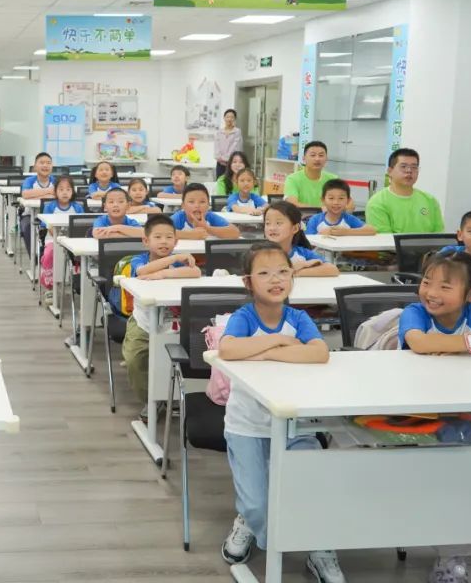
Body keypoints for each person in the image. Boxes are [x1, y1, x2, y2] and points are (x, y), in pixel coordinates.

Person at [217, 243, 341, 581]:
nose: (276, 279)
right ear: (248, 282)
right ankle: (249, 519)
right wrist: (281, 342)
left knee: (310, 491)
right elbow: (228, 348)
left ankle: (317, 545)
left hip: (295, 425)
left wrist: (265, 353)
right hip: (248, 426)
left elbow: (319, 353)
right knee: (257, 504)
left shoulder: (298, 318)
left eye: (283, 272)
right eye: (265, 273)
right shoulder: (244, 317)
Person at [398, 251, 471, 583]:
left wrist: (451, 344)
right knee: (455, 467)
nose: (431, 293)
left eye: (445, 286)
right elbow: (420, 343)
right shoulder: (415, 312)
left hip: (465, 405)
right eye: (427, 282)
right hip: (417, 409)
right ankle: (450, 554)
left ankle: (467, 541)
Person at [119, 215, 201, 418]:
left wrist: (164, 274)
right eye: (158, 237)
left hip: (174, 324)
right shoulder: (140, 259)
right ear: (146, 241)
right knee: (134, 360)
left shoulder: (179, 263)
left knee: (176, 359)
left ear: (176, 241)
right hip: (144, 322)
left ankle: (172, 397)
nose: (164, 242)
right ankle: (151, 399)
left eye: (169, 237)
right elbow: (142, 271)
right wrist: (172, 260)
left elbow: (196, 272)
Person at [365, 148, 445, 234]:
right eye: (403, 167)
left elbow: (439, 236)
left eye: (414, 167)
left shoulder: (430, 200)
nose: (409, 171)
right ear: (390, 171)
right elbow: (386, 240)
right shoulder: (377, 203)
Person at [262, 202, 340, 277]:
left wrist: (294, 272)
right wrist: (297, 266)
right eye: (268, 223)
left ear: (295, 228)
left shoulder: (302, 253)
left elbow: (333, 270)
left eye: (278, 223)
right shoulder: (260, 254)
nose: (272, 228)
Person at [304, 180, 376, 236]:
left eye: (341, 198)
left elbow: (372, 230)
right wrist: (320, 235)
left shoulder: (349, 219)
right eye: (331, 198)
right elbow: (308, 242)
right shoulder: (315, 220)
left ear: (348, 201)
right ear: (323, 200)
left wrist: (346, 232)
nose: (336, 202)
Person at [171, 184, 240, 240]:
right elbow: (164, 231)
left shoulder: (210, 216)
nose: (197, 205)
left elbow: (235, 232)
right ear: (183, 206)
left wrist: (207, 228)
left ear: (208, 206)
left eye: (202, 202)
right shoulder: (179, 217)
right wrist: (192, 235)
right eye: (191, 202)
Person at [283, 141, 341, 208]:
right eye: (313, 155)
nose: (317, 159)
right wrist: (320, 210)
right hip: (302, 215)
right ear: (304, 158)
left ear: (326, 159)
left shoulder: (333, 179)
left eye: (321, 155)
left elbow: (348, 204)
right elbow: (293, 204)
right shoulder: (292, 179)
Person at [20, 152, 56, 253]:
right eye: (42, 162)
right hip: (30, 215)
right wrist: (49, 191)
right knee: (27, 226)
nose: (45, 165)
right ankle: (35, 259)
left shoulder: (56, 181)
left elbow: (58, 196)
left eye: (48, 163)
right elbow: (26, 194)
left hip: (51, 216)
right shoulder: (29, 180)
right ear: (35, 166)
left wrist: (35, 195)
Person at [215, 108, 243, 178]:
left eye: (232, 117)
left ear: (235, 119)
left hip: (232, 164)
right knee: (219, 181)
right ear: (224, 118)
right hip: (220, 164)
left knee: (231, 181)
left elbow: (236, 147)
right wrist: (219, 157)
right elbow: (216, 146)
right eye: (227, 117)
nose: (229, 119)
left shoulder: (237, 132)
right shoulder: (219, 132)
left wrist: (226, 158)